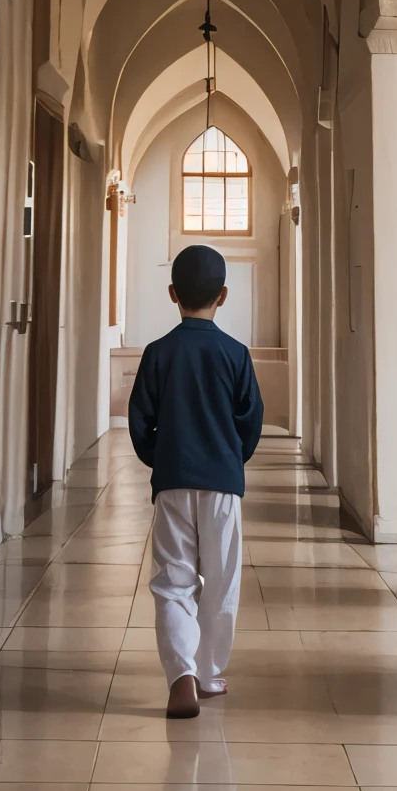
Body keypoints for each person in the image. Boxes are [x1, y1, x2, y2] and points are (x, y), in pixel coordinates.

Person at [126, 242, 264, 718]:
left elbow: (140, 420)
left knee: (173, 580)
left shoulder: (158, 353)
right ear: (223, 296)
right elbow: (250, 421)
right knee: (222, 580)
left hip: (173, 480)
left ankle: (181, 675)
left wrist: (161, 459)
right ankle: (207, 673)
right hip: (223, 482)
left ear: (172, 294)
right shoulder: (235, 354)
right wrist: (230, 458)